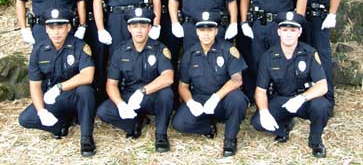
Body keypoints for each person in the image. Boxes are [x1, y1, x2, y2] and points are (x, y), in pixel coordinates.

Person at [251, 11, 332, 158]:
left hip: (304, 101)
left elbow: (322, 85)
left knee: (322, 106)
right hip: (281, 100)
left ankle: (315, 141)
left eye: (293, 30)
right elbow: (260, 90)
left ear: (299, 32)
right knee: (257, 122)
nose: (288, 34)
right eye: (285, 30)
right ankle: (283, 128)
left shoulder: (309, 53)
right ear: (279, 32)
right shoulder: (268, 56)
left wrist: (301, 98)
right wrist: (263, 111)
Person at [18, 8, 97, 157]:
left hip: (74, 96)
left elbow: (88, 76)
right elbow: (34, 84)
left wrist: (60, 87)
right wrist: (41, 110)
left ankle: (86, 137)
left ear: (68, 27)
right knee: (25, 119)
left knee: (86, 91)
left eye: (60, 27)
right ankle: (60, 125)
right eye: (52, 28)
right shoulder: (38, 49)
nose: (56, 32)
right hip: (52, 98)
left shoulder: (79, 46)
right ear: (46, 29)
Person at [96, 8, 174, 153]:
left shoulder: (159, 48)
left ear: (149, 28)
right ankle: (135, 123)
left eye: (143, 26)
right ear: (129, 28)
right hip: (128, 95)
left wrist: (143, 91)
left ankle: (161, 134)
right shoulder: (120, 50)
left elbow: (168, 77)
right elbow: (111, 84)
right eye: (135, 26)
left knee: (167, 93)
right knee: (103, 111)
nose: (139, 30)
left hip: (151, 95)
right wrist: (120, 104)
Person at [172, 11, 249, 157]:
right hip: (200, 99)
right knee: (179, 123)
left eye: (209, 29)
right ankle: (208, 127)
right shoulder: (190, 54)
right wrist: (190, 102)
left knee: (237, 99)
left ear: (216, 31)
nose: (206, 34)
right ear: (196, 31)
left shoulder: (227, 50)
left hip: (223, 99)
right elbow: (183, 85)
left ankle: (230, 139)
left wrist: (216, 97)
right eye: (202, 30)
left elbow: (237, 80)